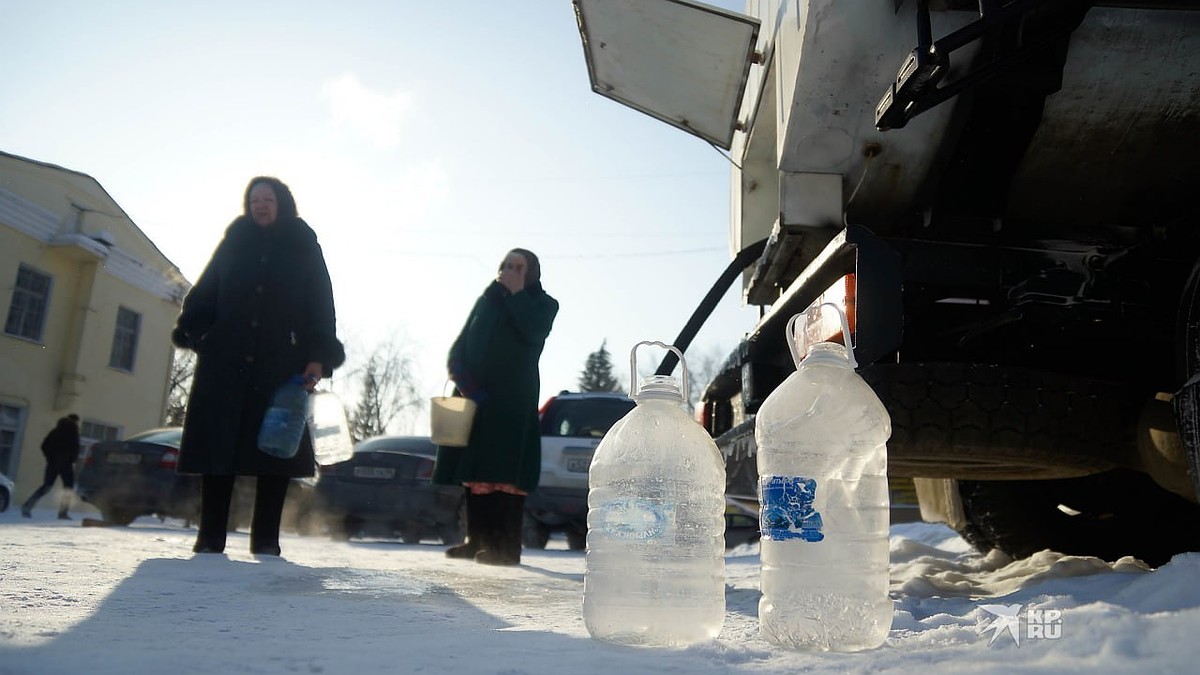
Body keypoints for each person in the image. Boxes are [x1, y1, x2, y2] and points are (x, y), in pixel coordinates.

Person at [171, 176, 344, 556]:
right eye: (254, 200)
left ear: (282, 202)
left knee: (275, 450)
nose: (260, 205)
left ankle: (266, 540)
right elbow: (205, 293)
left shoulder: (303, 246)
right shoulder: (234, 243)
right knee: (218, 450)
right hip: (224, 361)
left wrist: (318, 356)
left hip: (280, 362)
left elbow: (321, 305)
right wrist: (198, 335)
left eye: (267, 199)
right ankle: (210, 537)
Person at [434, 248, 558, 565]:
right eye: (507, 266)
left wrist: (517, 295)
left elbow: (534, 332)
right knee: (476, 472)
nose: (511, 271)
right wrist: (461, 376)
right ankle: (475, 540)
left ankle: (506, 548)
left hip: (512, 402)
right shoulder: (487, 301)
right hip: (475, 397)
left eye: (519, 267)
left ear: (531, 272)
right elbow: (461, 343)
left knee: (505, 474)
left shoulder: (543, 304)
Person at [21, 414, 82, 519]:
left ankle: (27, 506)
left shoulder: (55, 431)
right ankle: (63, 513)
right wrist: (71, 459)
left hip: (53, 463)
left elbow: (44, 446)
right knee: (68, 488)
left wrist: (50, 457)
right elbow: (75, 448)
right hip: (65, 464)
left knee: (46, 486)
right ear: (75, 421)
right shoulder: (73, 431)